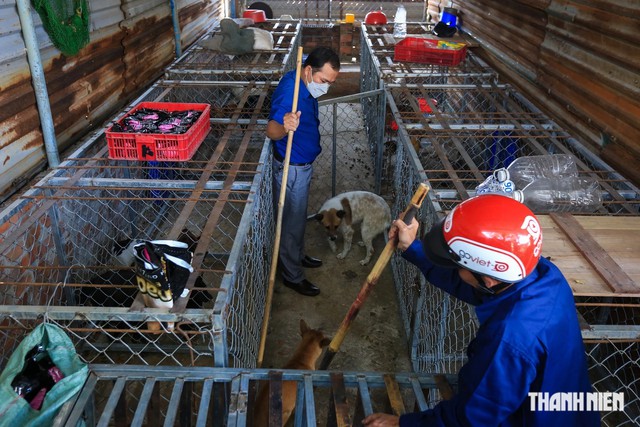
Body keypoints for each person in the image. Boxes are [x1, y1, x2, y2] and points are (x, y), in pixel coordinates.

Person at [363, 194, 599, 426]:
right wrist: (412, 247)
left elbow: (471, 418)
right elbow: (473, 285)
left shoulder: (510, 338)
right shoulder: (541, 275)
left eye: (457, 265)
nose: (455, 270)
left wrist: (403, 423)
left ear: (489, 279)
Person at [266, 47, 340, 297]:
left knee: (297, 220)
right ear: (309, 70)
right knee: (290, 223)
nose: (326, 87)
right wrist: (285, 127)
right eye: (324, 81)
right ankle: (292, 275)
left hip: (302, 165)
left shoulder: (304, 83)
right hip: (292, 168)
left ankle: (297, 255)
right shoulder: (291, 90)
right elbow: (272, 130)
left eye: (330, 83)